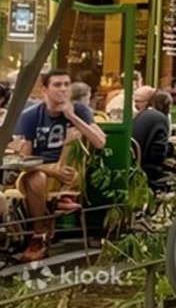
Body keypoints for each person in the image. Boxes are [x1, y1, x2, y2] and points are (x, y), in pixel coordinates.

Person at [13, 69, 107, 261]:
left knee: (74, 135)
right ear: (44, 90)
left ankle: (59, 201)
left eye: (66, 84)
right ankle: (40, 235)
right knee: (36, 178)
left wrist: (72, 118)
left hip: (69, 172)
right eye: (57, 85)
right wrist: (50, 170)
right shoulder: (30, 116)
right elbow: (23, 159)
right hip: (40, 170)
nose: (63, 89)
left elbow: (100, 142)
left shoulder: (80, 111)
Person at [132, 90, 172, 186]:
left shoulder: (141, 115)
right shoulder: (161, 119)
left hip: (133, 164)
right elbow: (157, 154)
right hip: (146, 171)